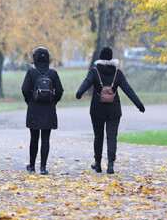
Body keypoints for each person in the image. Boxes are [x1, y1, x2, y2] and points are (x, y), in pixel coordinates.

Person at [75, 46, 146, 174]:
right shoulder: (117, 73)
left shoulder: (94, 71)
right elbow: (128, 89)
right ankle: (110, 164)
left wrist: (79, 93)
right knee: (112, 136)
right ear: (111, 58)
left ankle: (97, 163)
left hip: (97, 109)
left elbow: (86, 82)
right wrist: (139, 105)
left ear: (100, 57)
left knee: (98, 136)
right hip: (114, 109)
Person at [21, 47, 64, 175]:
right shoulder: (53, 74)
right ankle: (43, 167)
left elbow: (24, 89)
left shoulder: (31, 73)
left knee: (34, 138)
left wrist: (29, 101)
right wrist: (53, 101)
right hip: (48, 109)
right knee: (46, 138)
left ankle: (32, 166)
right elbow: (60, 91)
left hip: (34, 108)